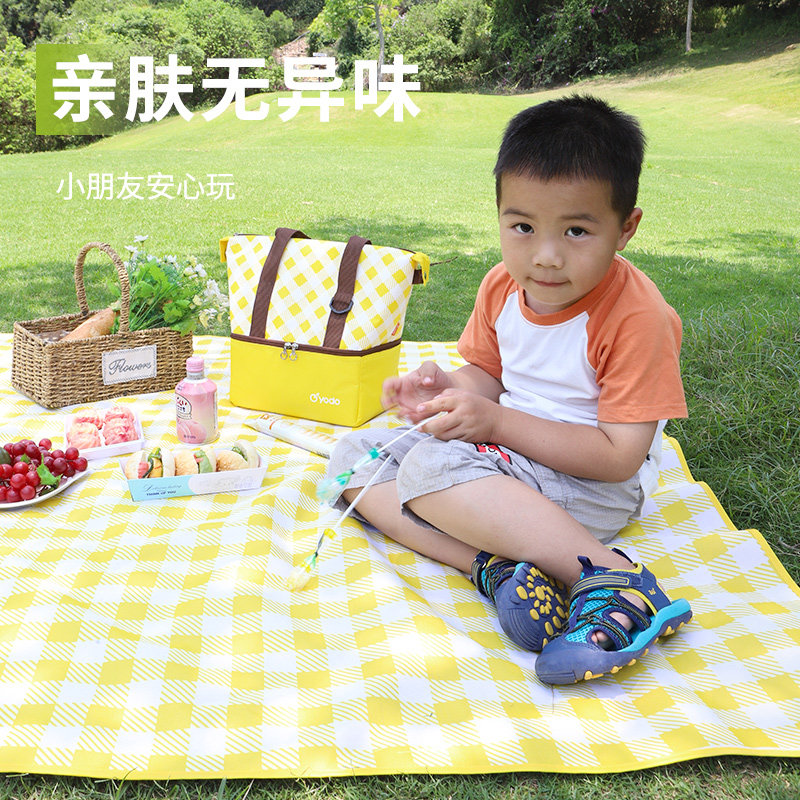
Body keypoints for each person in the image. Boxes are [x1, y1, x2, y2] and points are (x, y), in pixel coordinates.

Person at [326, 94, 693, 685]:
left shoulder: (637, 318)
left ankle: (614, 580)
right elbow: (489, 378)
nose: (545, 257)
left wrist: (494, 424)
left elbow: (619, 459)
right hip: (506, 460)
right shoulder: (501, 286)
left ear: (626, 228)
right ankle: (493, 569)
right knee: (354, 458)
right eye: (522, 227)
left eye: (577, 230)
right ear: (499, 214)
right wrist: (446, 390)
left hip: (592, 485)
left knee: (429, 467)